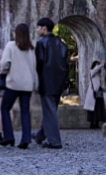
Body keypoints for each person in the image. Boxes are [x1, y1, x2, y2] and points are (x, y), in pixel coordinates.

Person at [0, 23, 37, 148]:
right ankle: (26, 138)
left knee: (5, 108)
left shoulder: (11, 45)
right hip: (27, 84)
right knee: (25, 111)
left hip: (13, 83)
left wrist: (4, 72)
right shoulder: (31, 48)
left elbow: (4, 64)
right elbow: (34, 67)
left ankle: (9, 136)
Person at [33, 17, 68, 149]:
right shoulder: (61, 44)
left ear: (44, 28)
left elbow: (39, 64)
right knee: (51, 110)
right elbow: (66, 65)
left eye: (38, 27)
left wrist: (36, 79)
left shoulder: (41, 43)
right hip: (58, 83)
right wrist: (66, 84)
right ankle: (40, 135)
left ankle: (54, 141)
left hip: (46, 82)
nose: (36, 30)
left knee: (49, 112)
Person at [85, 60, 106, 129]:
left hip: (98, 92)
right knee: (93, 109)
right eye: (96, 64)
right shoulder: (92, 72)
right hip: (93, 93)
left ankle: (97, 123)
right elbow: (95, 69)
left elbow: (99, 83)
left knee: (99, 108)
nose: (97, 66)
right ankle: (92, 124)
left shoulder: (99, 74)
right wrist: (101, 64)